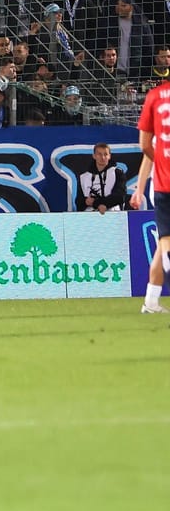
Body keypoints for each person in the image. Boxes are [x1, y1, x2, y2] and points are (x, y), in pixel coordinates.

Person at [129, 50, 170, 314]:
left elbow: (146, 149)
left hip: (160, 185)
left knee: (162, 245)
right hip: (163, 185)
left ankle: (151, 301)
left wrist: (140, 189)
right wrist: (139, 188)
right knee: (166, 242)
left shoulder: (156, 100)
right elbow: (148, 153)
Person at [78, 144, 126, 213]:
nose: (103, 157)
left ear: (109, 156)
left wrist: (98, 203)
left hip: (113, 214)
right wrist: (85, 201)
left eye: (105, 154)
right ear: (94, 156)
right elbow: (79, 202)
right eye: (99, 154)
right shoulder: (84, 177)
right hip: (89, 216)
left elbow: (119, 196)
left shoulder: (118, 173)